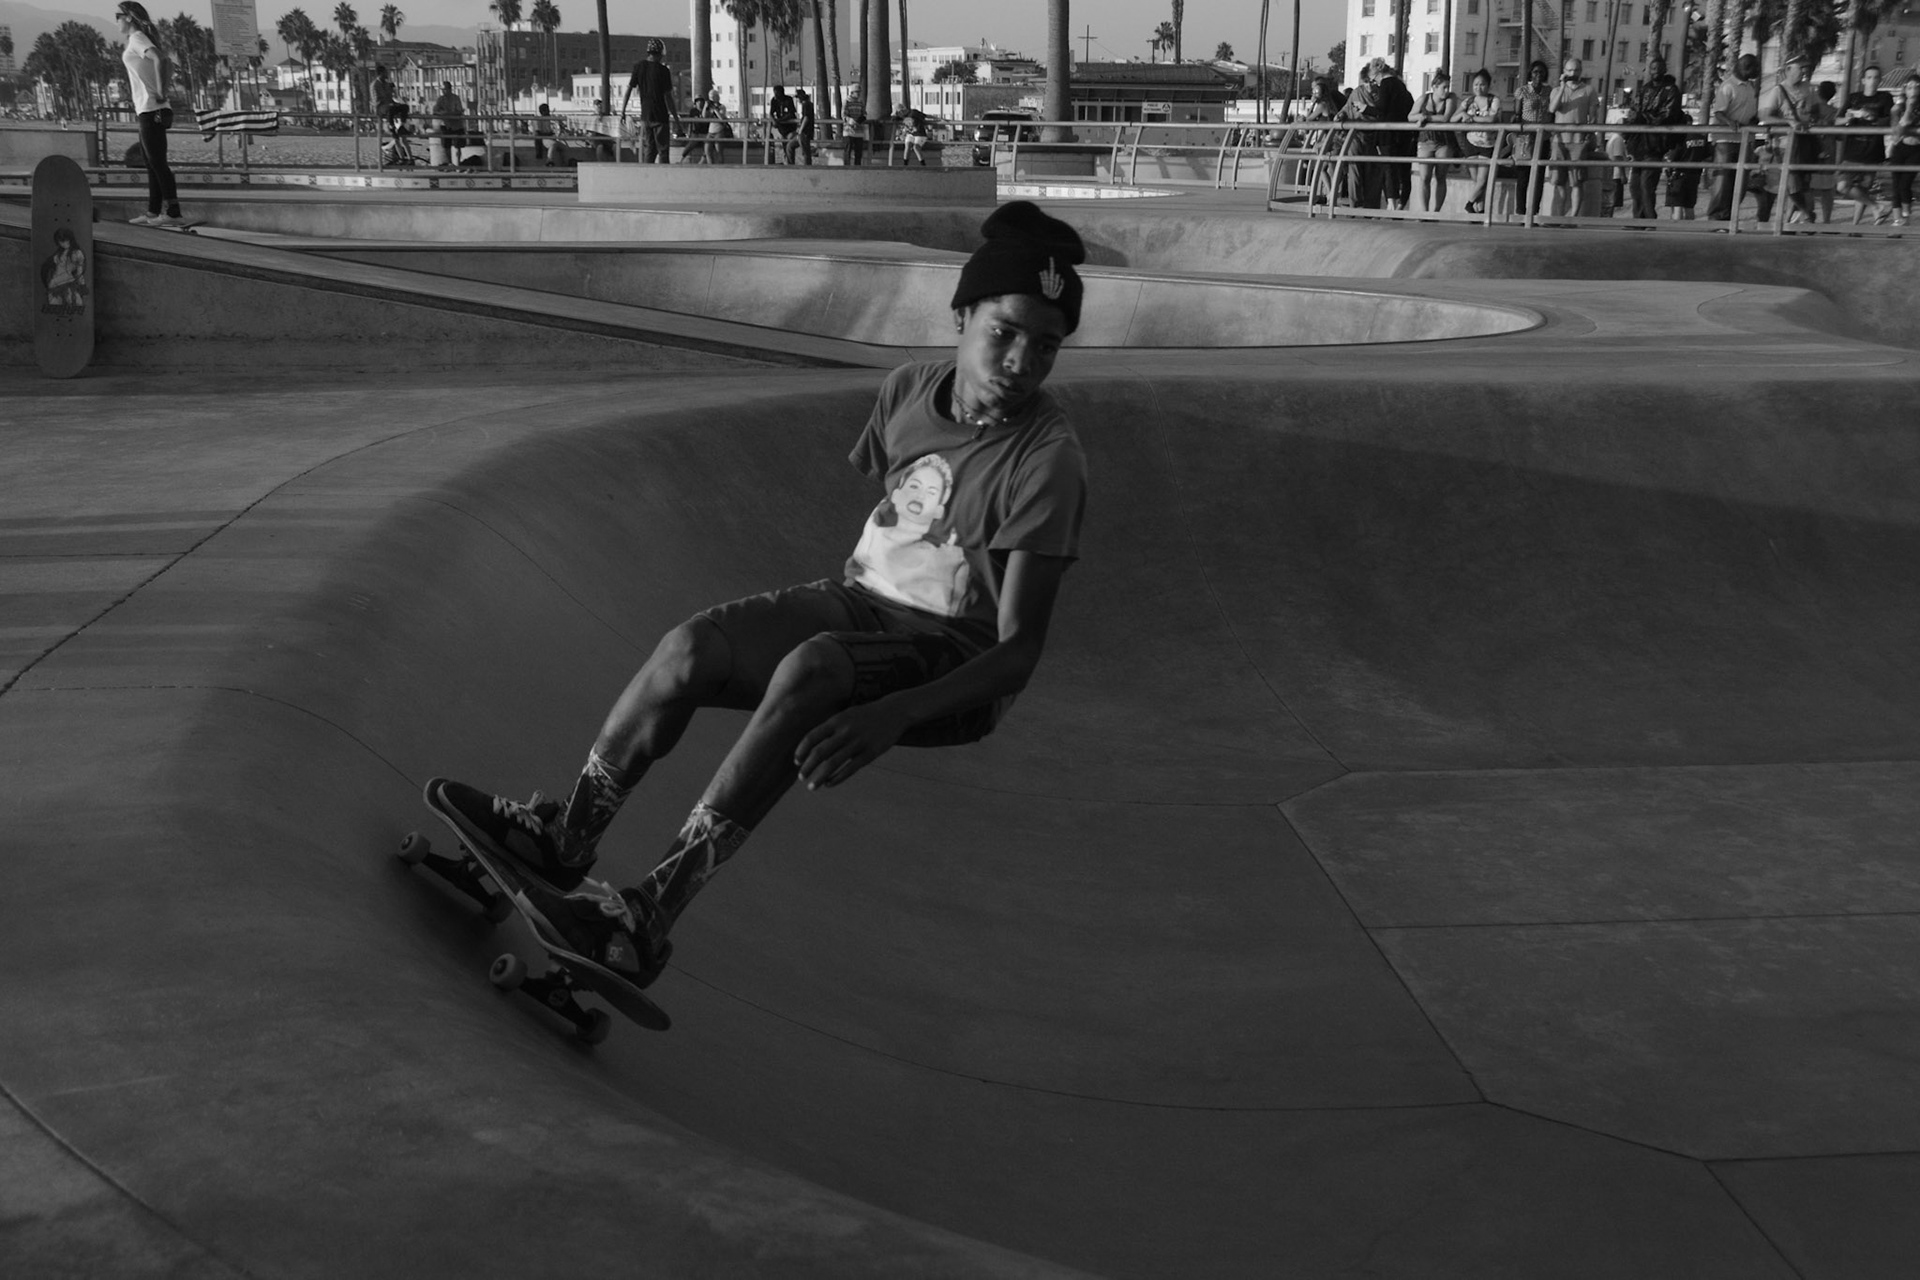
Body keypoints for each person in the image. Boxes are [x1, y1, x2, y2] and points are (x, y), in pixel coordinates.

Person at [424, 201, 1091, 993]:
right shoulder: (908, 391)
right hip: (861, 606)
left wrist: (896, 712)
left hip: (959, 661)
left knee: (814, 667)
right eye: (1004, 332)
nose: (1020, 361)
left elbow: (1017, 654)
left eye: (1045, 347)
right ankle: (568, 837)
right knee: (688, 650)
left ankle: (646, 920)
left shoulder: (1048, 461)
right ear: (961, 315)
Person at [115, 3, 189, 228]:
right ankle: (152, 212)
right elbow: (168, 63)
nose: (116, 20)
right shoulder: (137, 40)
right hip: (147, 109)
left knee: (157, 162)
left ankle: (174, 212)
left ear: (129, 17)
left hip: (152, 109)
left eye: (118, 16)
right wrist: (161, 90)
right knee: (150, 163)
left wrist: (160, 91)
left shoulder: (138, 38)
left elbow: (161, 59)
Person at [1761, 55, 1819, 224]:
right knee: (1788, 184)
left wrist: (1813, 119)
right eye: (1800, 68)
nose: (1804, 72)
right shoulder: (1778, 91)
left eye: (1805, 68)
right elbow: (1766, 116)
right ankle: (1806, 214)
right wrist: (1788, 122)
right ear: (1788, 70)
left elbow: (1816, 111)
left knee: (1801, 184)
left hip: (1803, 144)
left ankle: (1792, 221)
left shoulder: (1809, 89)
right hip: (1784, 145)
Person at [1624, 59, 1683, 219]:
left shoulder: (1671, 90)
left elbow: (1668, 115)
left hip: (1656, 143)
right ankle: (1638, 219)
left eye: (1658, 68)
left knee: (1647, 184)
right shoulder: (1645, 89)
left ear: (1664, 69)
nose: (1655, 71)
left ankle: (1649, 219)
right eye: (1652, 68)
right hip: (1639, 143)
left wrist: (1645, 117)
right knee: (1635, 185)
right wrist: (1631, 124)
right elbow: (1635, 109)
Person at [1706, 53, 1761, 222]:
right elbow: (1718, 112)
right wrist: (1729, 122)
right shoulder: (1728, 86)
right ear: (1745, 67)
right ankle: (1716, 217)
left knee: (1741, 181)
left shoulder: (1750, 87)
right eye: (1755, 68)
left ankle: (1729, 217)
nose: (1757, 71)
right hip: (1726, 141)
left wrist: (1754, 120)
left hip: (1744, 140)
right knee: (1723, 181)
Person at [1841, 65, 1894, 222]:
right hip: (1852, 150)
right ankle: (1876, 207)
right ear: (1863, 80)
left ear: (1880, 80)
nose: (1872, 81)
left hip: (1872, 151)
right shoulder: (1853, 98)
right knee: (1842, 186)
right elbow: (1837, 119)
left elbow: (1890, 120)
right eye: (1869, 77)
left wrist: (1872, 117)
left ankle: (1855, 227)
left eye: (1876, 77)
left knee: (1863, 190)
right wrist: (1848, 118)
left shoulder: (1885, 98)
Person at [1546, 57, 1598, 216]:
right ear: (1564, 71)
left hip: (1578, 142)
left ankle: (1573, 216)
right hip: (1559, 141)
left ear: (1581, 71)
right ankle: (1559, 216)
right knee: (1558, 181)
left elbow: (1593, 117)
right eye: (1569, 70)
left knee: (1577, 182)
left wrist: (1589, 135)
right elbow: (1552, 109)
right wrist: (1562, 87)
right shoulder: (1556, 90)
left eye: (1575, 70)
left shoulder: (1589, 90)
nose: (1572, 73)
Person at [620, 37, 681, 163]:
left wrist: (623, 111)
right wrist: (676, 119)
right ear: (660, 53)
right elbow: (668, 98)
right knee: (663, 150)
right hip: (660, 117)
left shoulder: (639, 67)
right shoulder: (664, 71)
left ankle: (647, 173)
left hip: (646, 117)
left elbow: (628, 90)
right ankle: (664, 173)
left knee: (649, 149)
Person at [1454, 67, 1505, 215]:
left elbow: (1491, 119)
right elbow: (1453, 118)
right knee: (1476, 181)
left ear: (1488, 85)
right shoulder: (1468, 101)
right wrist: (1462, 114)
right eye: (1476, 84)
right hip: (1470, 143)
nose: (1478, 87)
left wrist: (1472, 118)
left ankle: (1469, 204)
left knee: (1482, 180)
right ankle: (1479, 211)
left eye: (1482, 84)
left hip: (1487, 144)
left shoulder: (1494, 100)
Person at [1413, 69, 1458, 214]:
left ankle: (1436, 211)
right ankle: (1424, 211)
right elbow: (1410, 116)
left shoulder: (1451, 99)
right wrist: (1420, 116)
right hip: (1425, 140)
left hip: (1444, 142)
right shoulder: (1424, 99)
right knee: (1424, 177)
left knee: (1441, 176)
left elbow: (1445, 118)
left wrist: (1426, 118)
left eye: (1448, 87)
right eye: (1443, 87)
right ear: (1434, 87)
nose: (1446, 90)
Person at [1372, 59, 1416, 209]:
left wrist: (1366, 108)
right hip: (1404, 133)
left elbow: (1381, 108)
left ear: (1378, 74)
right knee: (1404, 170)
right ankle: (1401, 203)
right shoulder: (1403, 89)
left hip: (1387, 133)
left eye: (1374, 79)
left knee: (1389, 166)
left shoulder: (1386, 84)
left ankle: (1391, 202)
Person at [1513, 60, 1553, 214]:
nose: (1538, 75)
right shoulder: (1523, 91)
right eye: (1535, 72)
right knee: (1523, 177)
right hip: (1526, 139)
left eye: (1541, 72)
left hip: (1543, 138)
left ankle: (1533, 212)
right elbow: (1517, 113)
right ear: (1530, 73)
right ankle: (1520, 211)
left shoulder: (1549, 91)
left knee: (1538, 178)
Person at [1888, 71, 1920, 226]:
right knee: (1896, 185)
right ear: (1905, 90)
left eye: (1916, 87)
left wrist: (1911, 108)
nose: (1913, 90)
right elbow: (1897, 132)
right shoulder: (1897, 108)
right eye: (1909, 87)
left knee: (1904, 184)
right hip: (1900, 147)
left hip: (1916, 149)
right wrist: (1907, 108)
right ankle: (1897, 219)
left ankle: (1905, 217)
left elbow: (1907, 123)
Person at [431, 80, 467, 169]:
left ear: (450, 89)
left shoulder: (456, 98)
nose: (443, 91)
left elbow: (459, 111)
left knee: (458, 145)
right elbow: (435, 111)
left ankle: (458, 164)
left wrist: (447, 113)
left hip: (456, 125)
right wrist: (443, 113)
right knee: (446, 146)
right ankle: (450, 164)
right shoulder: (440, 99)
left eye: (445, 89)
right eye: (442, 89)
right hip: (446, 125)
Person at [769, 83, 799, 163]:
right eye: (774, 93)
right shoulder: (774, 100)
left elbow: (791, 114)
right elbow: (771, 113)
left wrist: (779, 120)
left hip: (790, 127)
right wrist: (774, 120)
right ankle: (787, 161)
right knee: (784, 144)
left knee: (789, 144)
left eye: (777, 94)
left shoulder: (788, 99)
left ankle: (790, 162)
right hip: (782, 128)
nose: (776, 96)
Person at [795, 88, 817, 165]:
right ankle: (807, 164)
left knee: (805, 150)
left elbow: (806, 117)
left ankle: (807, 165)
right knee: (805, 149)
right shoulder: (809, 104)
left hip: (805, 131)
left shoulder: (806, 104)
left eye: (798, 98)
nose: (798, 100)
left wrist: (800, 130)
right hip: (808, 130)